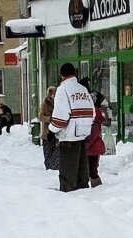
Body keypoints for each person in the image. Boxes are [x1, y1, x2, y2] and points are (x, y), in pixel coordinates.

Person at [49, 63, 94, 192]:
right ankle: (83, 192)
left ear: (62, 75)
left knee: (68, 171)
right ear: (74, 73)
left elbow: (61, 116)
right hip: (83, 133)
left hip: (68, 136)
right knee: (81, 170)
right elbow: (92, 112)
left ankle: (68, 197)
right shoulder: (83, 89)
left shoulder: (63, 90)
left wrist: (52, 131)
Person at [86, 88, 107, 187]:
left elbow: (92, 134)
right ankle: (97, 187)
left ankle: (98, 189)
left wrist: (85, 145)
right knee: (93, 169)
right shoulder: (97, 114)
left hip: (91, 147)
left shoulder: (92, 115)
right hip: (95, 147)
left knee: (92, 171)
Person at [38, 86, 59, 170]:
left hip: (56, 131)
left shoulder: (59, 103)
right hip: (47, 131)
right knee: (48, 151)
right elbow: (40, 116)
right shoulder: (44, 103)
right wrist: (49, 119)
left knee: (55, 150)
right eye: (51, 93)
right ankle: (48, 167)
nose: (52, 95)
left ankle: (53, 166)